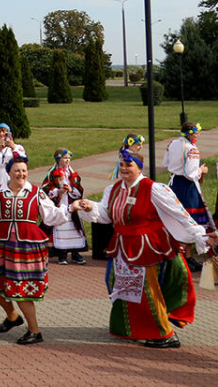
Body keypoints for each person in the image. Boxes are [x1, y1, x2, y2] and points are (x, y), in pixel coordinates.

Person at [74, 147, 218, 348]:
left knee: (147, 290)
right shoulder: (114, 189)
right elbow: (106, 213)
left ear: (139, 168)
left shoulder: (153, 188)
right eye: (121, 165)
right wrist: (91, 207)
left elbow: (178, 213)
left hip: (147, 247)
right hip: (122, 247)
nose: (124, 169)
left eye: (128, 165)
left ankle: (164, 334)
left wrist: (199, 234)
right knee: (120, 286)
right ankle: (131, 327)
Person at [0, 155, 69, 345]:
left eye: (24, 170)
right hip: (3, 246)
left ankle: (34, 331)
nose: (21, 174)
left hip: (27, 247)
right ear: (9, 173)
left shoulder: (36, 193)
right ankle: (13, 316)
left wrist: (70, 209)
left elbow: (51, 216)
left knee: (21, 291)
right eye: (17, 171)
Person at [92, 134, 144, 260]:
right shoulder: (127, 156)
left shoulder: (128, 154)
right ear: (130, 143)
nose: (141, 147)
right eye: (138, 144)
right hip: (125, 189)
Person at [40, 148, 87, 265]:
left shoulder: (72, 173)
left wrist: (72, 190)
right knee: (61, 228)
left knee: (75, 228)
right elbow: (45, 189)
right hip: (60, 205)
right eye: (64, 158)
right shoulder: (52, 173)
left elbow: (79, 188)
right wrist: (58, 192)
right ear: (58, 159)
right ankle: (62, 253)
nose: (67, 160)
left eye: (69, 158)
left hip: (71, 204)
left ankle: (76, 253)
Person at [164, 122, 212, 232]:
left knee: (174, 208)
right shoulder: (191, 149)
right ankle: (189, 236)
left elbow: (166, 163)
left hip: (173, 182)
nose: (198, 135)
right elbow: (190, 174)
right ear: (189, 135)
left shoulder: (172, 143)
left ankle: (175, 233)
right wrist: (201, 170)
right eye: (196, 133)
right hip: (187, 186)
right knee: (189, 212)